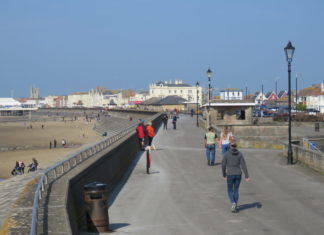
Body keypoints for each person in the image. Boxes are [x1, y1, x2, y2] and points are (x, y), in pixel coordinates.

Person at [222, 142, 251, 213]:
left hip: (230, 174)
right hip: (238, 174)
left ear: (230, 145)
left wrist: (224, 175)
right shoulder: (240, 154)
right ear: (236, 146)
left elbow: (223, 165)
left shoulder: (226, 154)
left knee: (229, 190)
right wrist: (247, 176)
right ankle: (235, 206)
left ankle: (233, 202)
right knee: (236, 190)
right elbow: (243, 165)